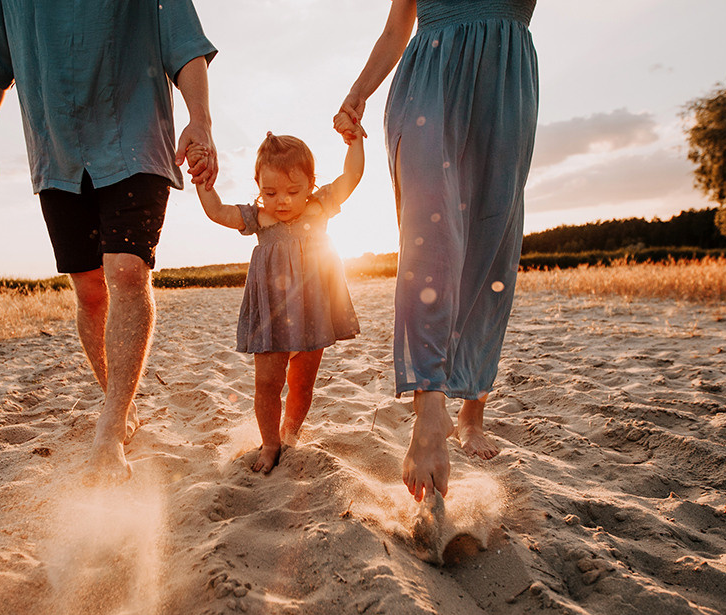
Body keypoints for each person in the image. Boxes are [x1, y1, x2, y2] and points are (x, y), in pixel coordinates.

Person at [0, 2, 218, 482]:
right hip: (55, 144)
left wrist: (199, 119)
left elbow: (184, 41)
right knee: (90, 289)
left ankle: (111, 425)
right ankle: (117, 400)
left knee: (126, 271)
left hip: (136, 135)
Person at [336, 0, 538, 502]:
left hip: (504, 82)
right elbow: (395, 28)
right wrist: (358, 93)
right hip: (428, 77)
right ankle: (429, 411)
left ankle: (472, 410)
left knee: (490, 246)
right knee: (431, 241)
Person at [188, 128, 363, 473]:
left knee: (302, 382)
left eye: (292, 191)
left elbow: (353, 174)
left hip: (312, 308)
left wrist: (354, 140)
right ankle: (269, 442)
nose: (281, 200)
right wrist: (200, 178)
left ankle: (291, 434)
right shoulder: (259, 218)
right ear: (258, 187)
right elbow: (216, 211)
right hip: (271, 312)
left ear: (312, 184)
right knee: (267, 383)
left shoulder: (319, 208)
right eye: (270, 192)